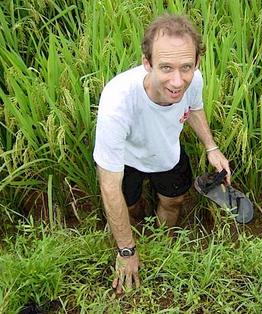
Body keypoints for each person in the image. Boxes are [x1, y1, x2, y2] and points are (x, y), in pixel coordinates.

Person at [93, 14, 231, 295]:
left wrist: (211, 147)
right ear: (147, 63)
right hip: (127, 160)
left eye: (186, 67)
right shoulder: (117, 101)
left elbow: (194, 107)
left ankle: (162, 245)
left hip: (167, 153)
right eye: (166, 67)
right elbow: (109, 186)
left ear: (196, 64)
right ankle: (136, 238)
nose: (178, 81)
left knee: (174, 201)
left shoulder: (194, 81)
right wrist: (126, 251)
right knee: (129, 207)